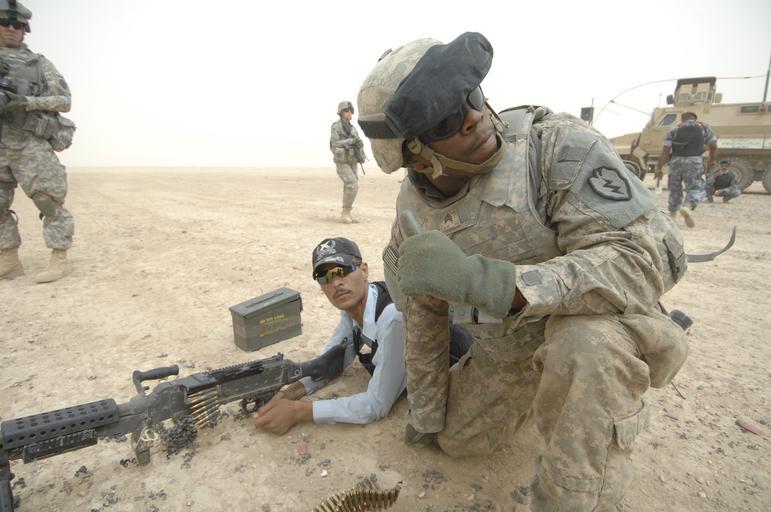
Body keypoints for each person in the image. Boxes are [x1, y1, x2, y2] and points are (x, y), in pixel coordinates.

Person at [356, 32, 689, 511]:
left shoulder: (553, 148)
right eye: (446, 119)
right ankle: (548, 394)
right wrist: (425, 416)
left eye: (472, 96)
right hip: (509, 350)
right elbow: (424, 317)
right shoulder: (413, 213)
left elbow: (643, 260)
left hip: (595, 327)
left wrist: (491, 284)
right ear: (413, 154)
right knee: (456, 441)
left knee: (585, 348)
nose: (474, 117)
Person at [252, 237, 406, 434]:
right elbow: (332, 360)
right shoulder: (353, 306)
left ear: (364, 270)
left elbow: (377, 404)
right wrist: (288, 394)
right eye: (324, 277)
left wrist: (298, 411)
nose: (336, 283)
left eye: (343, 270)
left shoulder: (393, 317)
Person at [0, 0, 75, 283]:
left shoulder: (39, 64)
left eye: (17, 25)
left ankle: (59, 258)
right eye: (5, 23)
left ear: (24, 30)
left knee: (47, 201)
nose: (11, 28)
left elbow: (64, 100)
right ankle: (9, 260)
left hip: (29, 143)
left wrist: (26, 102)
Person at [655, 111, 717, 228]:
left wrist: (659, 167)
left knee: (675, 189)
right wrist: (712, 159)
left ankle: (673, 216)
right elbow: (713, 145)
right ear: (694, 118)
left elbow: (665, 151)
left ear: (682, 119)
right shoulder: (703, 127)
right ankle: (687, 206)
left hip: (675, 161)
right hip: (694, 161)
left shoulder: (674, 129)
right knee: (696, 188)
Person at [329, 101, 365, 224]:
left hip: (352, 160)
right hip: (342, 161)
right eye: (346, 111)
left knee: (352, 186)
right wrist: (350, 141)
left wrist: (360, 150)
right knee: (352, 184)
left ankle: (347, 211)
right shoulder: (336, 127)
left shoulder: (353, 128)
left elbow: (358, 142)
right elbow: (334, 144)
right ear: (341, 113)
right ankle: (345, 212)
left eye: (351, 111)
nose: (349, 113)